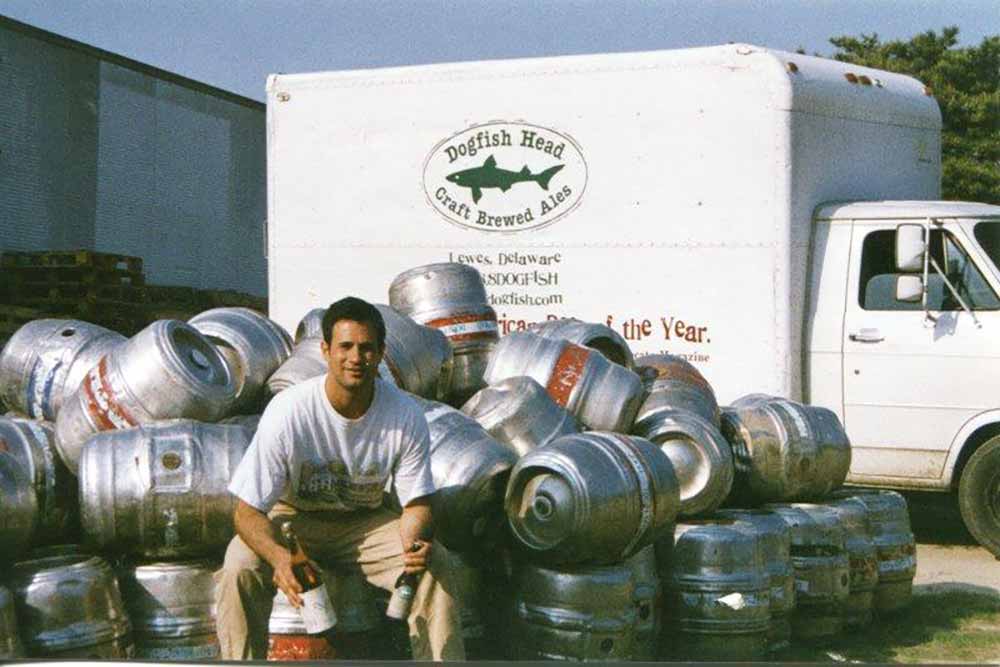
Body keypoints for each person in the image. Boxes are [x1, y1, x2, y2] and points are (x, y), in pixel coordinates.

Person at [215, 296, 465, 660]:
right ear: (325, 350)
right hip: (294, 521)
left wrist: (414, 541)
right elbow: (246, 512)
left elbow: (417, 504)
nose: (355, 358)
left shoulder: (405, 413)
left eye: (366, 348)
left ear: (380, 354)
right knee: (240, 566)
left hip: (362, 523)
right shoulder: (289, 410)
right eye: (345, 346)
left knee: (435, 563)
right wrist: (280, 558)